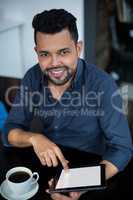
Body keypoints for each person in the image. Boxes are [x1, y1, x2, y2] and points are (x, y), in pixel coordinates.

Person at [2, 9, 133, 200]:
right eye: (45, 54)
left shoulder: (102, 84)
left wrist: (78, 183)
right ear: (36, 52)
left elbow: (122, 148)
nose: (54, 64)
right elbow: (9, 131)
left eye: (63, 52)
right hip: (47, 163)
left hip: (92, 165)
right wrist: (34, 138)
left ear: (78, 48)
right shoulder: (32, 76)